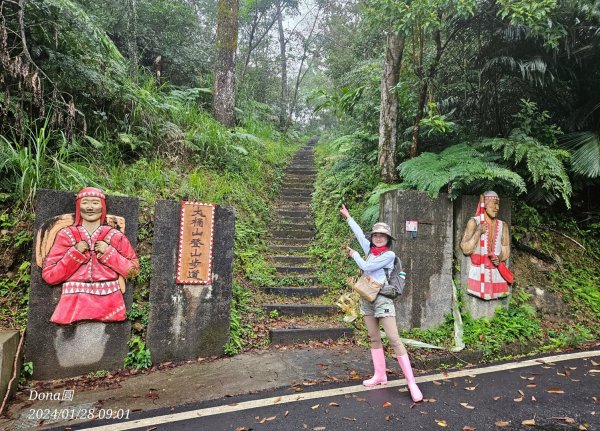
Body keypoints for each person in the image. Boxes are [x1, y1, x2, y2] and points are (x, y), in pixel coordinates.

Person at [340, 204, 423, 402]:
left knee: (394, 339)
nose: (378, 238)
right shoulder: (370, 248)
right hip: (367, 297)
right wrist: (348, 216)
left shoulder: (389, 255)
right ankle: (380, 375)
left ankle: (411, 382)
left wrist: (354, 255)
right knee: (373, 337)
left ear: (387, 239)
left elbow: (366, 266)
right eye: (375, 235)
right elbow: (360, 234)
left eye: (382, 236)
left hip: (383, 298)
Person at [42, 187, 139, 324]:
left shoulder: (115, 236)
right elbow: (50, 275)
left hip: (109, 303)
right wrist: (74, 252)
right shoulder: (66, 235)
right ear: (78, 207)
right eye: (85, 202)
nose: (90, 207)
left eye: (95, 203)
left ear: (102, 206)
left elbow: (133, 271)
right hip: (72, 304)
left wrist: (109, 253)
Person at [460, 190, 512, 300]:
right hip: (478, 272)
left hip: (497, 275)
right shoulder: (474, 222)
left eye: (498, 204)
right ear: (486, 204)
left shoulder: (503, 225)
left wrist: (500, 257)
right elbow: (465, 248)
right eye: (494, 203)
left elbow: (506, 249)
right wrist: (478, 232)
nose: (497, 208)